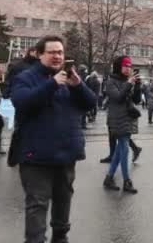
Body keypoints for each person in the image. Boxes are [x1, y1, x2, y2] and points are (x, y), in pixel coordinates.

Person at [11, 35, 97, 243]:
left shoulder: (70, 77)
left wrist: (78, 85)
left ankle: (61, 238)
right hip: (36, 156)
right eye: (52, 52)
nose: (57, 56)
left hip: (66, 154)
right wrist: (51, 84)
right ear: (40, 54)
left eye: (60, 52)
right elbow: (22, 102)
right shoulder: (26, 77)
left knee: (63, 202)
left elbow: (90, 103)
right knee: (37, 206)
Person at [102, 56, 141, 193]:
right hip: (117, 119)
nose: (128, 69)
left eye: (130, 66)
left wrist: (138, 86)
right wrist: (129, 83)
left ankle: (109, 178)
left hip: (128, 118)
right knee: (124, 149)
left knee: (120, 150)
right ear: (119, 66)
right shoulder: (110, 81)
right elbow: (118, 98)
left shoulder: (127, 81)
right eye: (126, 66)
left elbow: (136, 100)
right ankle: (126, 181)